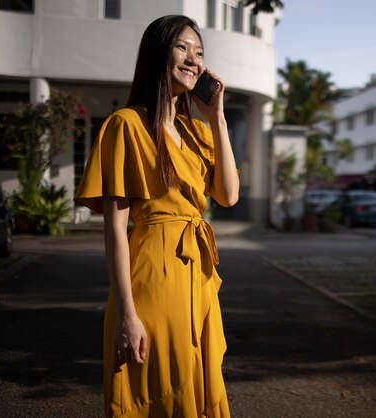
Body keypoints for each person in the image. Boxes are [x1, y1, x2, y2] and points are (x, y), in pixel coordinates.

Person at [74, 15, 238, 418]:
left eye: (199, 53)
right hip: (153, 279)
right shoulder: (125, 125)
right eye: (182, 47)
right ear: (157, 53)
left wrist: (217, 117)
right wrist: (127, 314)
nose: (193, 60)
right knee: (161, 389)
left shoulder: (200, 132)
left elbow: (229, 196)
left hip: (198, 278)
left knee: (198, 387)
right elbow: (114, 228)